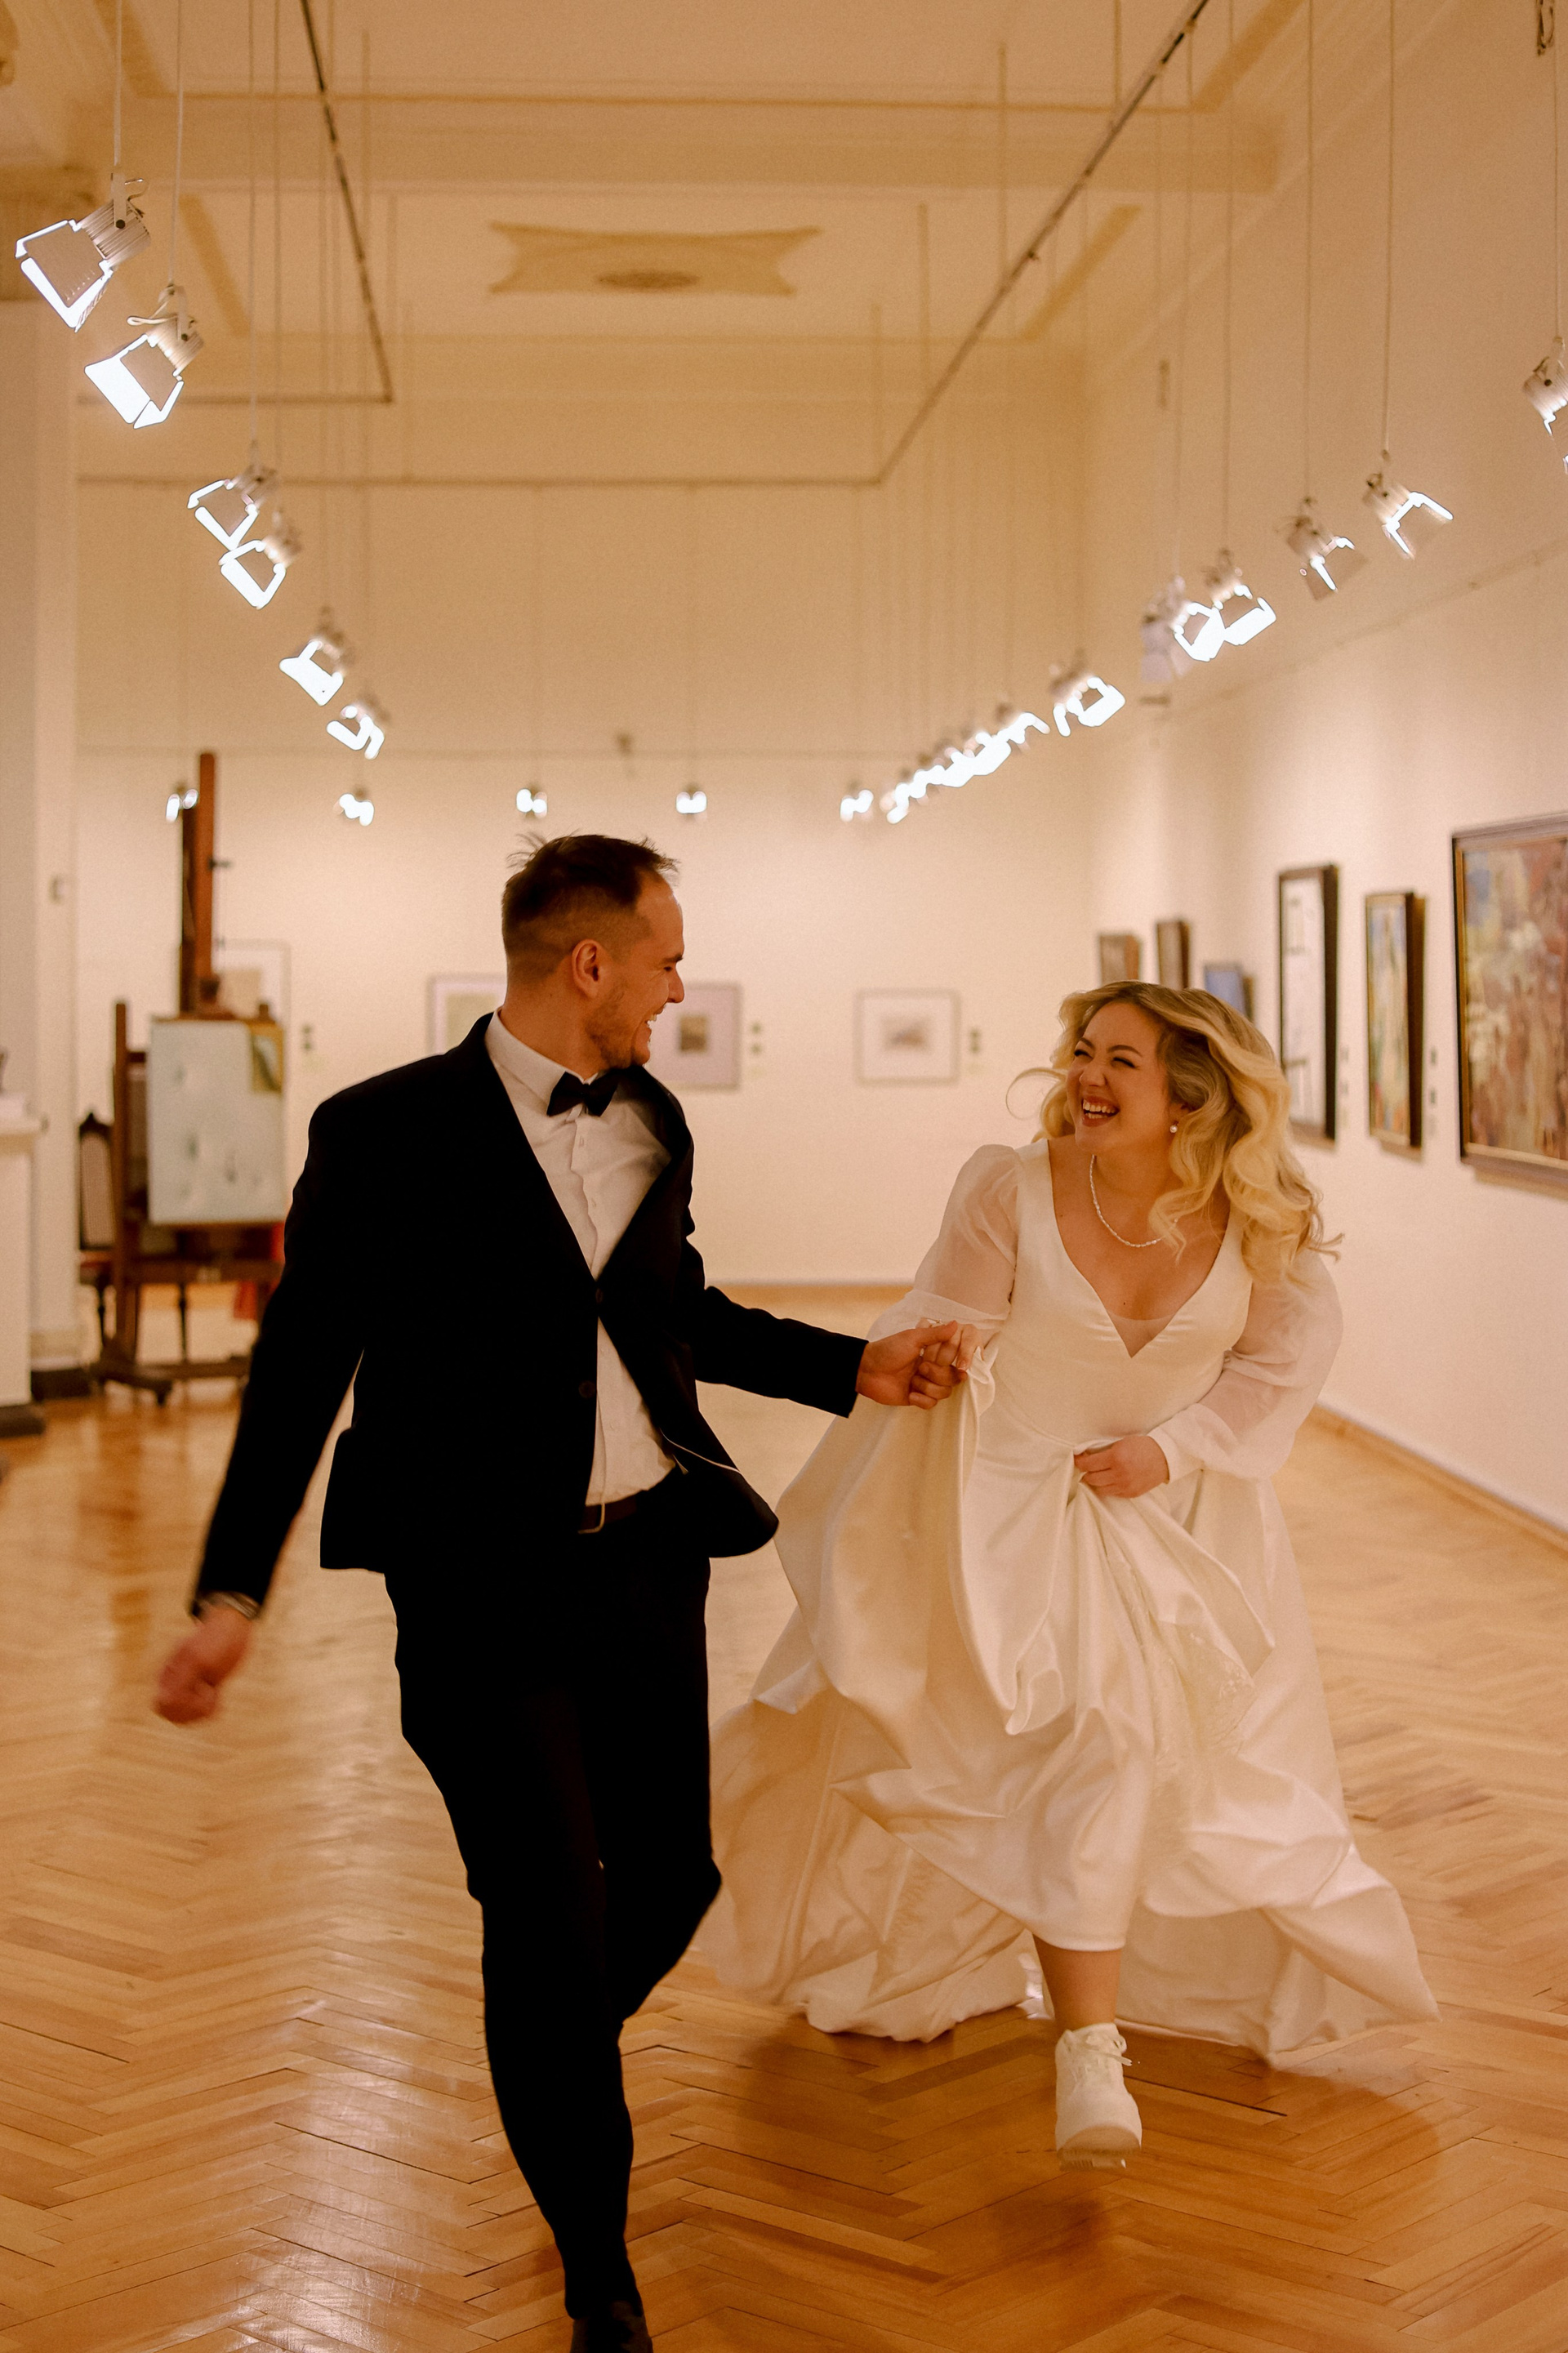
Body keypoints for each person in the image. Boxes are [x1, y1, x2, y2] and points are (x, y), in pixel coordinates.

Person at [154, 835, 966, 2353]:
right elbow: (300, 1367)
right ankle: (602, 2276)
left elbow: (673, 1311)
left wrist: (852, 1365)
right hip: (477, 1589)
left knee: (669, 1883)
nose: (677, 989)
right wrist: (230, 1593)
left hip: (648, 1565)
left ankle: (545, 2050)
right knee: (547, 1916)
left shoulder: (653, 1117)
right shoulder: (379, 1130)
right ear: (589, 963)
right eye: (666, 960)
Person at [704, 981, 1437, 2170]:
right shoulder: (1010, 1186)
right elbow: (947, 1316)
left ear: (1189, 1095)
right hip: (1002, 1516)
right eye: (1083, 1052)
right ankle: (1091, 2052)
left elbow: (1282, 1363)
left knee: (1124, 1754)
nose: (1086, 1076)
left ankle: (1091, 2036)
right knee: (1088, 1743)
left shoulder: (1260, 1222)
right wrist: (948, 1352)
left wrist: (1174, 1449)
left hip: (1170, 1527)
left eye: (1120, 1061)